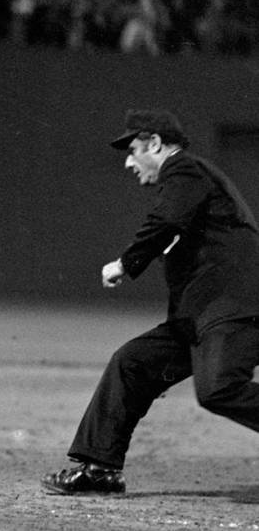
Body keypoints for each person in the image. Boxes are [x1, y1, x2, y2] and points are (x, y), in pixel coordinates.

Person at [42, 109, 259, 495]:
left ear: (156, 144)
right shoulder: (188, 187)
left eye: (133, 149)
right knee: (132, 363)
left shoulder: (185, 170)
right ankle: (100, 470)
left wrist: (126, 263)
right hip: (198, 318)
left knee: (219, 389)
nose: (128, 161)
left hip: (236, 309)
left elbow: (165, 223)